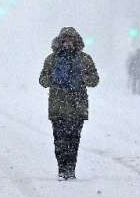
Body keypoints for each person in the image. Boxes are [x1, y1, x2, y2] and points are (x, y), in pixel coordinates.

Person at [38, 27, 99, 180]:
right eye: (65, 40)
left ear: (76, 41)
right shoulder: (51, 59)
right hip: (58, 108)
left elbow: (95, 80)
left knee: (73, 140)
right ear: (60, 42)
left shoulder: (84, 59)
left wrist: (83, 78)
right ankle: (62, 170)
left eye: (71, 40)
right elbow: (42, 80)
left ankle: (70, 170)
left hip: (77, 108)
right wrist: (53, 78)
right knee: (59, 140)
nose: (68, 43)